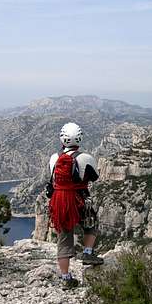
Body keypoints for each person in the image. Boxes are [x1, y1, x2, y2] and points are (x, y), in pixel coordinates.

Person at [48, 122, 103, 289]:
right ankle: (87, 253)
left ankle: (66, 278)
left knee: (64, 237)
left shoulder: (54, 158)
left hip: (59, 201)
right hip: (79, 198)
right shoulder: (85, 158)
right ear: (79, 138)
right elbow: (95, 177)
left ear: (62, 138)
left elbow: (52, 180)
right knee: (91, 223)